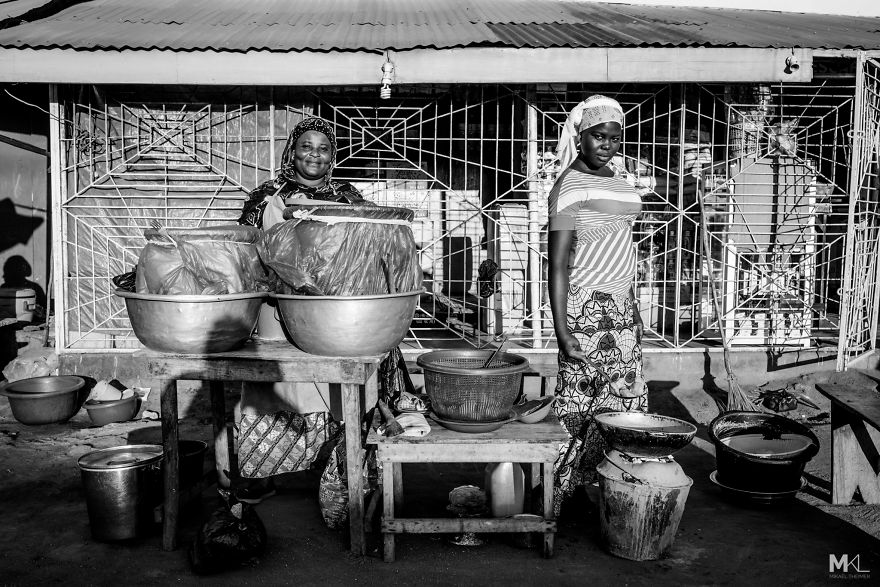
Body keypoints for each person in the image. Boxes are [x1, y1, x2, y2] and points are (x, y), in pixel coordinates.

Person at [224, 117, 372, 504]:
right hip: (277, 307)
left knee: (331, 386)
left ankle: (332, 468)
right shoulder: (266, 195)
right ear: (293, 149)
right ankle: (262, 473)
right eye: (307, 146)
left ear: (333, 155)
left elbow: (370, 237)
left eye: (324, 148)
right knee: (277, 385)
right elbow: (245, 247)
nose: (315, 155)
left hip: (331, 307)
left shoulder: (347, 195)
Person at [547, 95, 648, 516]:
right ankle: (557, 499)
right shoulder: (568, 186)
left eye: (613, 137)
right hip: (587, 310)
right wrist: (562, 330)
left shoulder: (615, 178)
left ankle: (614, 492)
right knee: (579, 404)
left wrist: (635, 309)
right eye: (597, 136)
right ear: (580, 137)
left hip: (622, 308)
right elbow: (557, 266)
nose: (606, 144)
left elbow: (623, 244)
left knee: (623, 404)